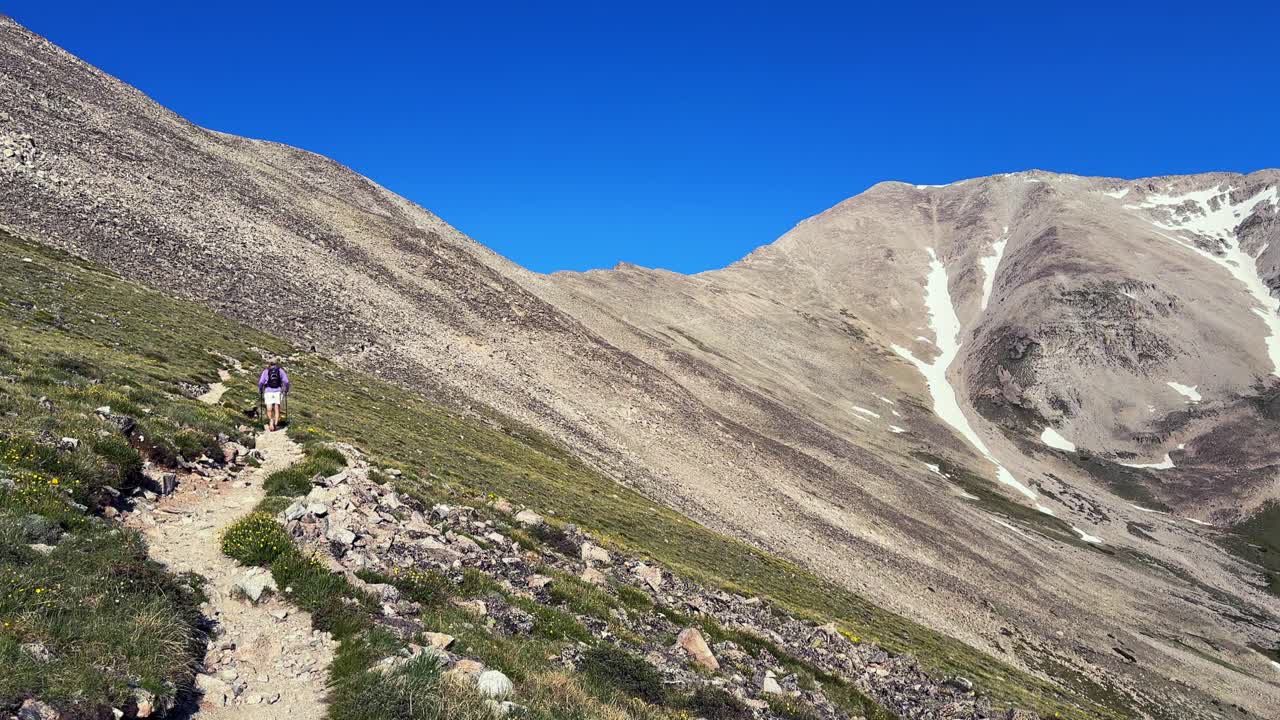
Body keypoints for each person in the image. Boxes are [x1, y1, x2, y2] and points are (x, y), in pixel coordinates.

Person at [257, 360, 291, 431]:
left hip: (268, 391)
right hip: (278, 391)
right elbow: (286, 381)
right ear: (277, 363)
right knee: (277, 408)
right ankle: (275, 424)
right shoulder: (280, 370)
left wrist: (260, 389)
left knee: (269, 408)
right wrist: (287, 389)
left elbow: (261, 382)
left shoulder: (266, 371)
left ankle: (271, 421)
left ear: (269, 364)